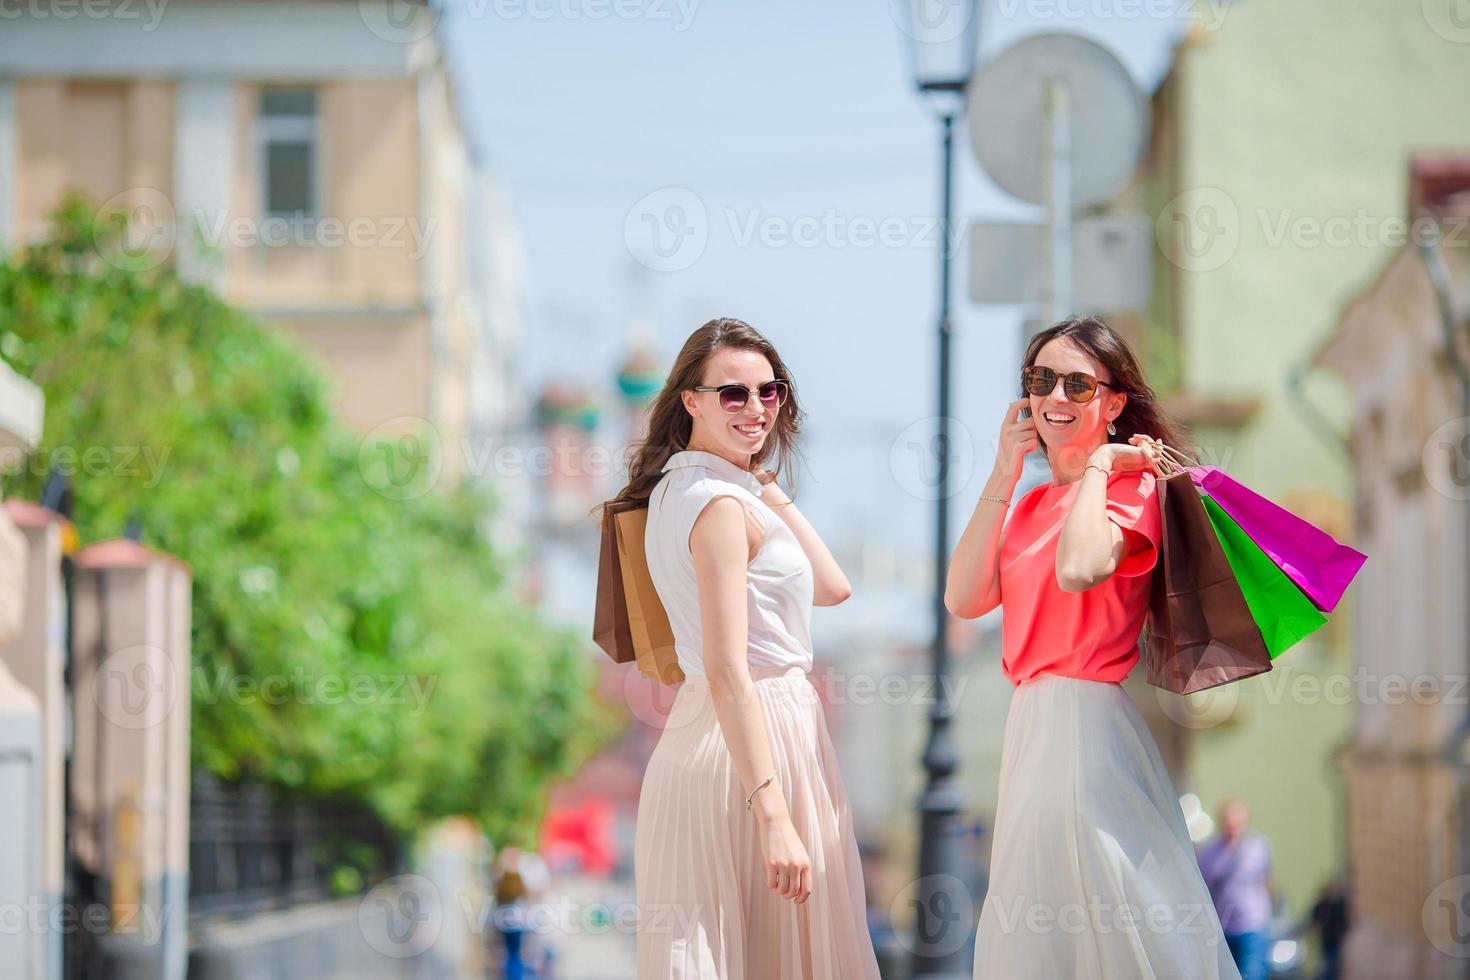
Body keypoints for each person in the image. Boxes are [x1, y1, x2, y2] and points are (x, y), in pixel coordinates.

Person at [947, 315, 1241, 978]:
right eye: (1041, 380)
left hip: (1083, 725)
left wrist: (1104, 464)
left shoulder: (1131, 490)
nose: (1054, 397)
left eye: (1076, 385)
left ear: (1111, 403)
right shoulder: (1027, 507)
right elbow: (962, 599)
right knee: (1048, 924)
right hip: (1031, 725)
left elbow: (1079, 568)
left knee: (1101, 916)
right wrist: (1002, 470)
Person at [609, 318, 880, 978]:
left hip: (722, 737)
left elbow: (833, 586)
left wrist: (764, 481)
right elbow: (730, 669)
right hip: (751, 741)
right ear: (690, 401)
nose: (756, 408)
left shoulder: (694, 491)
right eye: (733, 394)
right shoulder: (718, 507)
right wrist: (775, 815)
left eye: (770, 391)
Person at [1197, 800, 1277, 980]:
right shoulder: (1210, 853)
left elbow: (1268, 882)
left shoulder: (1258, 847)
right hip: (1224, 926)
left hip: (1253, 924)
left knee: (1253, 974)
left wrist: (1269, 912)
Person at [1307, 875, 1349, 980]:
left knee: (1332, 965)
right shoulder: (1322, 905)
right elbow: (1314, 920)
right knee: (1327, 965)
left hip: (1334, 941)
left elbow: (1343, 922)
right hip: (1326, 940)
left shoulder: (1337, 906)